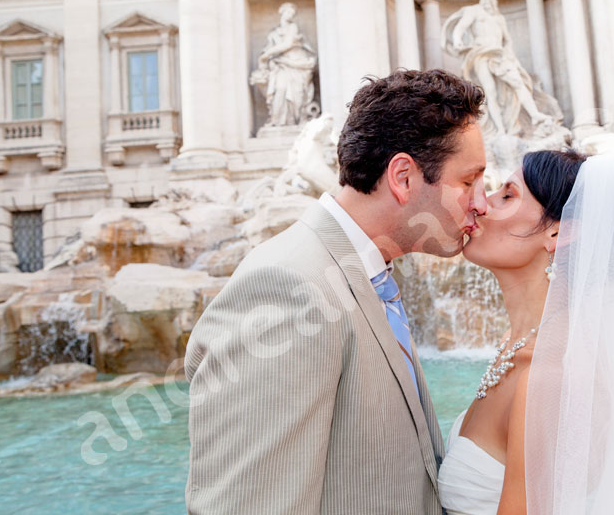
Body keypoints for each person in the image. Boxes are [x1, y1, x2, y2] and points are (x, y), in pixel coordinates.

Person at [185, 69, 488, 514]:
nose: (481, 201)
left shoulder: (370, 271)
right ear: (403, 177)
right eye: (468, 181)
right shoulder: (290, 288)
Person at [438, 148, 614, 514]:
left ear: (558, 232)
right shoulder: (517, 344)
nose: (480, 204)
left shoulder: (552, 377)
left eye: (507, 195)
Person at [443, 0, 550, 135]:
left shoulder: (499, 18)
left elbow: (507, 40)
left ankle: (535, 115)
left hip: (500, 56)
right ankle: (500, 129)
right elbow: (460, 28)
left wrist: (512, 57)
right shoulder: (474, 11)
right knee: (489, 92)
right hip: (481, 55)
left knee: (518, 83)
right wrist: (458, 40)